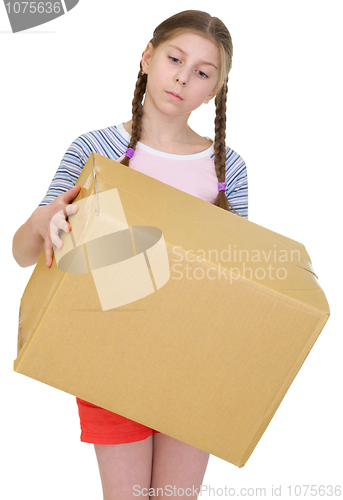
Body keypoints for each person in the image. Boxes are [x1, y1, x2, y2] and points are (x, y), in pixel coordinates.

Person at [12, 9, 248, 500]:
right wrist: (45, 220)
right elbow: (21, 253)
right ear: (147, 57)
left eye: (203, 72)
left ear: (215, 90)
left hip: (197, 362)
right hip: (107, 357)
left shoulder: (227, 167)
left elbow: (239, 282)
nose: (183, 77)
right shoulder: (94, 149)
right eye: (174, 58)